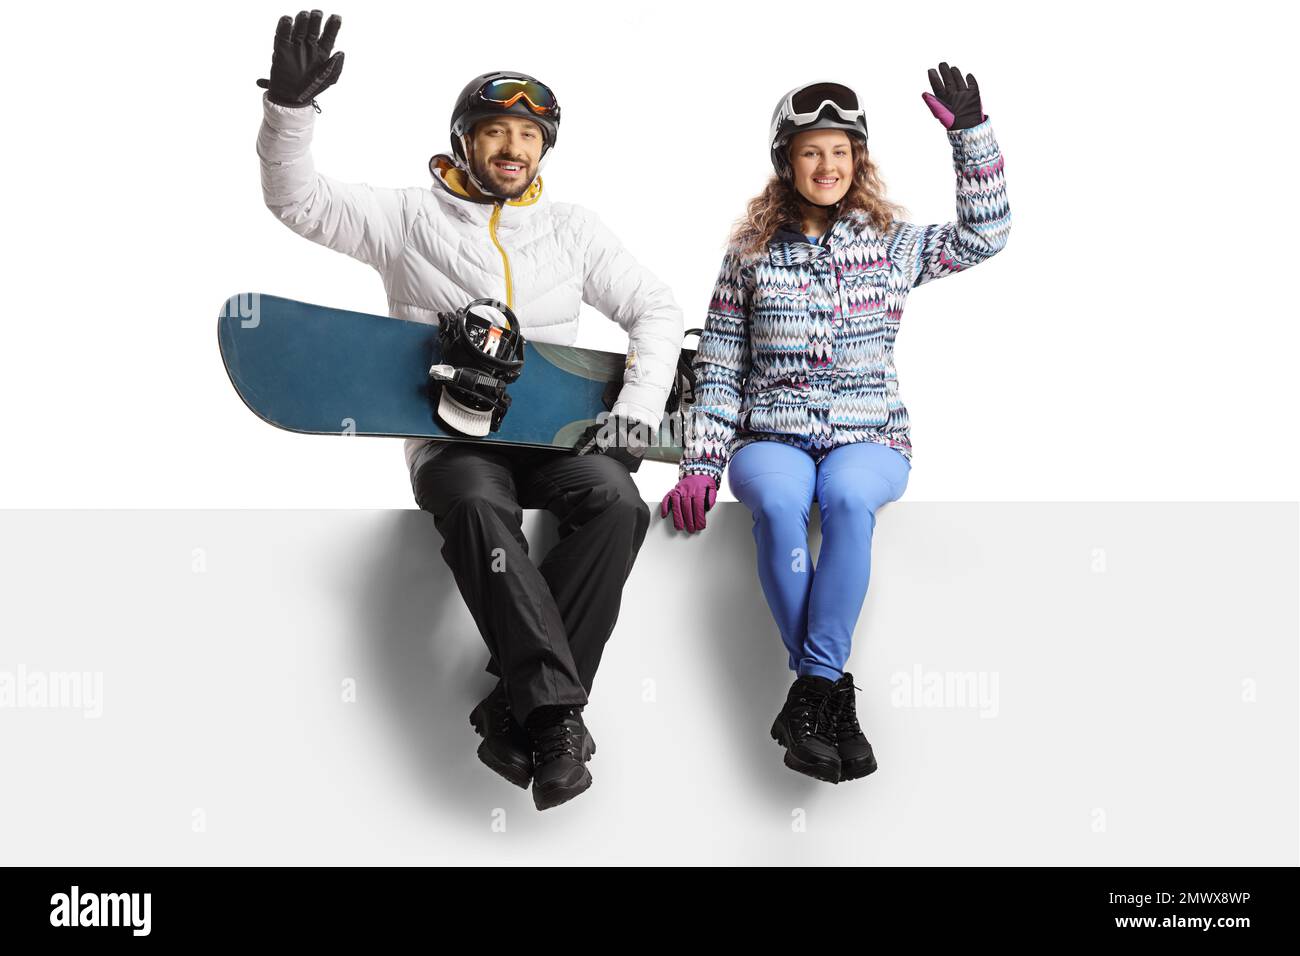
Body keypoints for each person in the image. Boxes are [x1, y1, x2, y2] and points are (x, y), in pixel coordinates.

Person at [255, 11, 683, 810]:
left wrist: (636, 413)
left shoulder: (572, 230)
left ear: (545, 149)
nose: (513, 149)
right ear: (464, 141)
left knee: (618, 504)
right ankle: (554, 718)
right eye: (495, 132)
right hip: (452, 436)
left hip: (555, 431)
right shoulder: (406, 219)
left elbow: (654, 307)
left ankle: (515, 709)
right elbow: (298, 201)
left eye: (529, 135)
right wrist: (289, 113)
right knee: (481, 512)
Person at [659, 68, 1010, 784]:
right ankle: (829, 695)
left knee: (849, 502)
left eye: (841, 152)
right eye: (812, 152)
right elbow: (722, 365)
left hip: (868, 433)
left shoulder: (890, 246)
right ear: (788, 162)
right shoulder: (750, 254)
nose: (828, 166)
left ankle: (813, 692)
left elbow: (985, 234)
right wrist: (699, 462)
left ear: (860, 161)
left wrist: (970, 137)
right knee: (782, 504)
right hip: (772, 436)